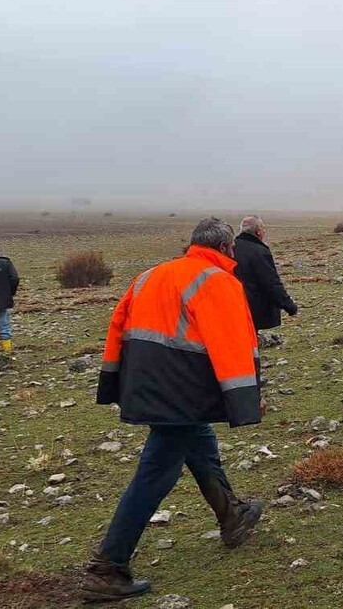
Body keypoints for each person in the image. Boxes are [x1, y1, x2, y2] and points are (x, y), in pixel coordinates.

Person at [81, 218, 264, 602]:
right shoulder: (217, 281)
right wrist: (245, 399)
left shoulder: (151, 275)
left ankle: (232, 515)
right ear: (227, 248)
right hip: (182, 389)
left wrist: (113, 380)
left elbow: (118, 325)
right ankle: (107, 567)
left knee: (200, 444)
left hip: (146, 383)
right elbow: (231, 343)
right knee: (156, 473)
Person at [233, 215, 298, 331]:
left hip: (231, 305)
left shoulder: (230, 248)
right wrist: (289, 306)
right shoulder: (259, 251)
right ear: (258, 231)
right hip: (253, 308)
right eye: (263, 229)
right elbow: (270, 282)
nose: (264, 232)